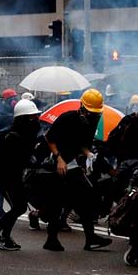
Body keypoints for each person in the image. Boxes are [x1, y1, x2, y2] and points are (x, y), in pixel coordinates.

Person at [43, 88, 113, 252]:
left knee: (87, 199)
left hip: (73, 165)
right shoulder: (68, 118)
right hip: (59, 164)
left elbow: (81, 143)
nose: (93, 115)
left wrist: (88, 154)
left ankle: (90, 238)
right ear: (82, 107)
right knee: (57, 202)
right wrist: (59, 158)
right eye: (90, 112)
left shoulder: (94, 120)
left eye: (95, 113)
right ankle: (51, 239)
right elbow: (49, 138)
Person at [0, 99, 43, 251]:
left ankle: (5, 237)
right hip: (4, 176)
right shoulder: (13, 136)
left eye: (36, 116)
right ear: (23, 118)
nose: (36, 119)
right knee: (19, 206)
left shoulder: (25, 133)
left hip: (12, 175)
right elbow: (13, 160)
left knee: (18, 206)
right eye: (32, 116)